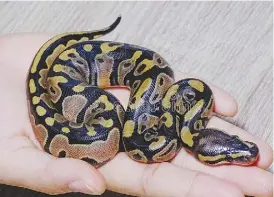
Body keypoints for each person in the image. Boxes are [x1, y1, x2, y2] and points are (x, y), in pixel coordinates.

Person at [0, 34, 272, 197]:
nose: (241, 153)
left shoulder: (186, 104)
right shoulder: (180, 118)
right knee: (108, 113)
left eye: (231, 153)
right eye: (232, 154)